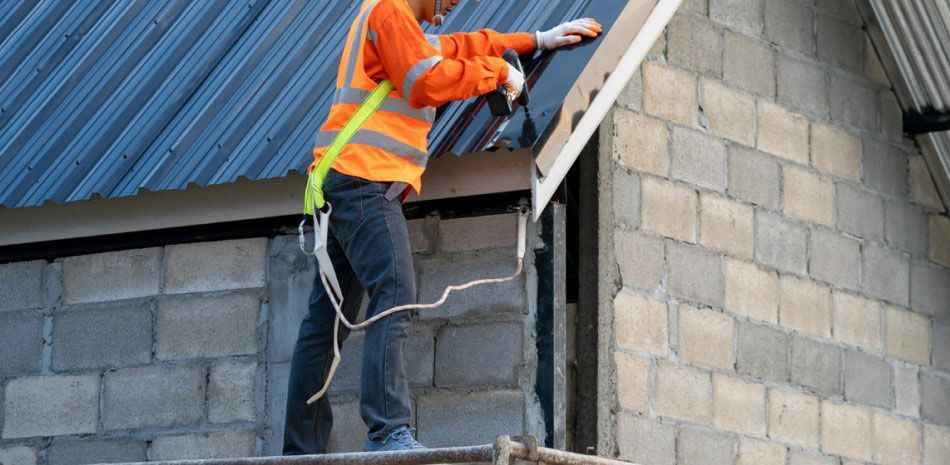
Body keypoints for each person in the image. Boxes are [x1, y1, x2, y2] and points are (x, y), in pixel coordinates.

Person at [283, 0, 601, 455]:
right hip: (364, 181)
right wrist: (499, 74)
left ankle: (300, 449)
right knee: (394, 291)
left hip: (342, 179)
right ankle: (388, 432)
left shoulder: (400, 27)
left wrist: (536, 41)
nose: (452, 5)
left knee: (325, 322)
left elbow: (458, 47)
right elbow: (426, 82)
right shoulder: (390, 10)